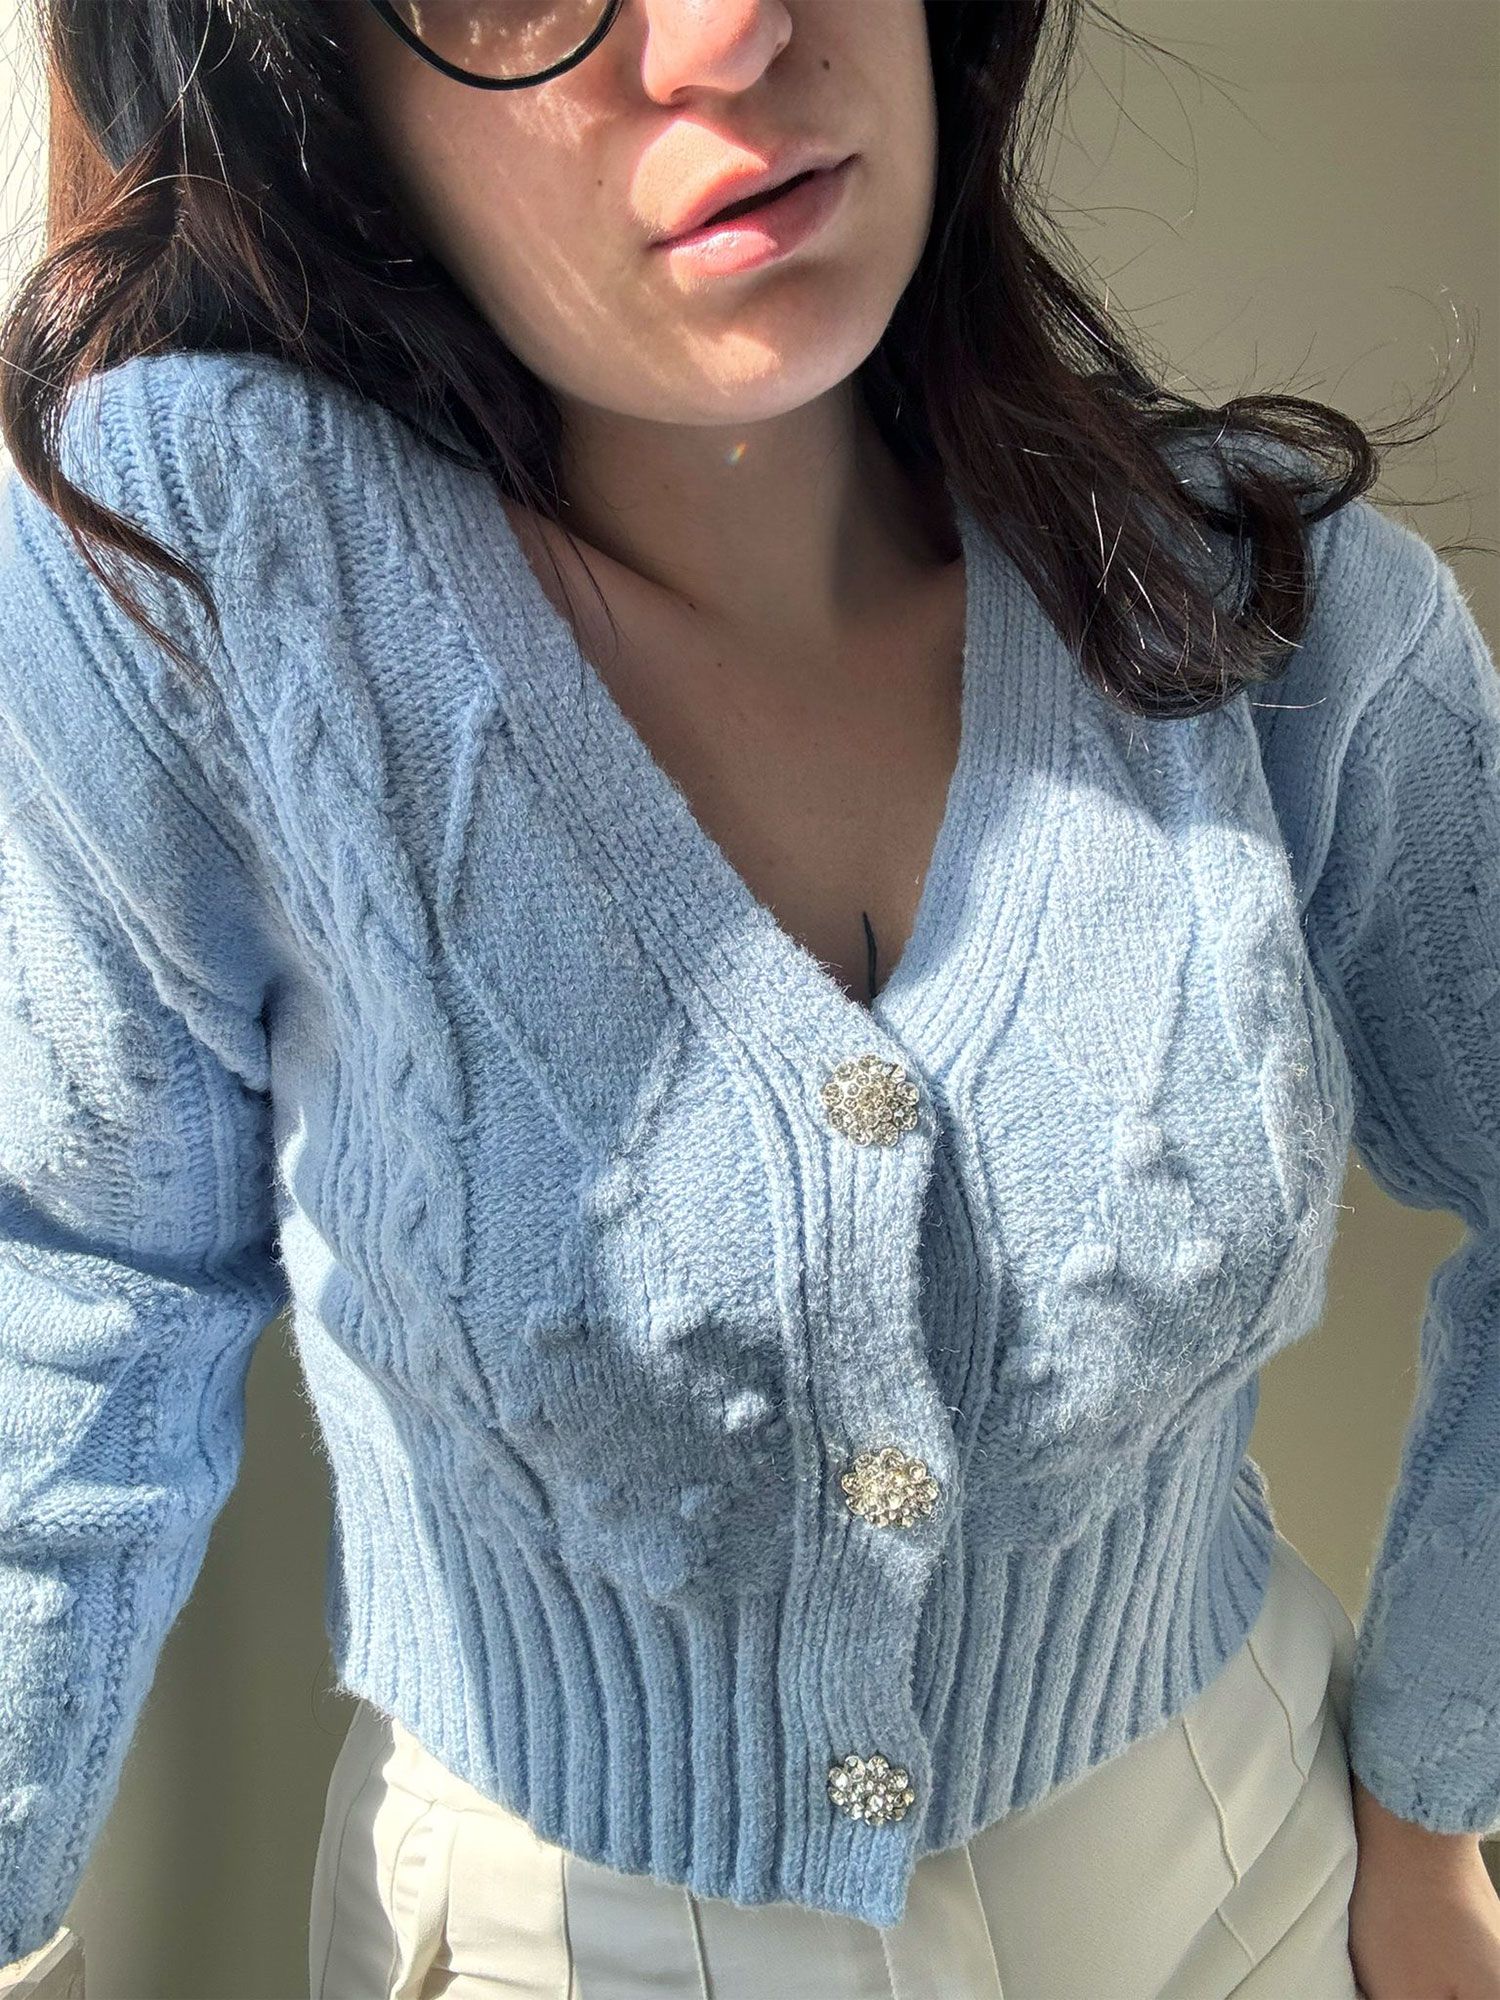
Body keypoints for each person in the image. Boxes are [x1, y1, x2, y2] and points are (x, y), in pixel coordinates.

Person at [0, 1, 1498, 1994]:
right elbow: (72, 1292)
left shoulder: (1263, 610)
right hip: (555, 1936)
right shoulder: (199, 577)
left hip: (1243, 1878)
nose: (727, 31)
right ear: (313, 70)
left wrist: (1434, 1797)